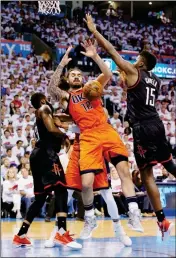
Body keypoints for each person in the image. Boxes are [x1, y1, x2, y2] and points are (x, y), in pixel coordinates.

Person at [84, 14, 176, 239]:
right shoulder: (155, 79)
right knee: (170, 166)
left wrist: (94, 31)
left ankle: (162, 220)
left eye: (136, 59)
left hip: (144, 127)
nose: (133, 60)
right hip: (156, 123)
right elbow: (131, 86)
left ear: (142, 63)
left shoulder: (137, 71)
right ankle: (161, 221)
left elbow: (113, 53)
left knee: (147, 175)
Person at [48, 41, 143, 239]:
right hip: (87, 137)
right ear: (68, 78)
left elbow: (108, 74)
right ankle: (89, 218)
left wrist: (95, 56)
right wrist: (61, 64)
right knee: (86, 183)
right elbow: (51, 89)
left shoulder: (92, 87)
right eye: (72, 75)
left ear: (83, 79)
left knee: (123, 170)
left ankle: (134, 211)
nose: (76, 77)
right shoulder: (67, 97)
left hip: (106, 131)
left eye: (78, 75)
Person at [13, 93, 82, 250]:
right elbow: (51, 128)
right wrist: (65, 136)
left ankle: (21, 235)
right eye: (47, 99)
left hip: (37, 155)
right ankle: (62, 232)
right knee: (61, 189)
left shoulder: (44, 115)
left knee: (40, 198)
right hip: (47, 153)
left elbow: (60, 120)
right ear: (43, 100)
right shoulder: (44, 108)